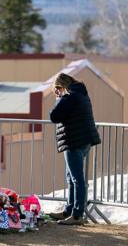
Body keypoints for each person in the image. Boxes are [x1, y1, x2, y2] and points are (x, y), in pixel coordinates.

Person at [48, 73, 101, 225]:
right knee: (71, 178)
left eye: (56, 89)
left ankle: (77, 215)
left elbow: (54, 116)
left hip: (74, 141)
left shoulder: (69, 97)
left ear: (61, 86)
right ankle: (68, 210)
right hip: (84, 141)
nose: (56, 93)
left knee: (77, 179)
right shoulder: (82, 94)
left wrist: (58, 98)